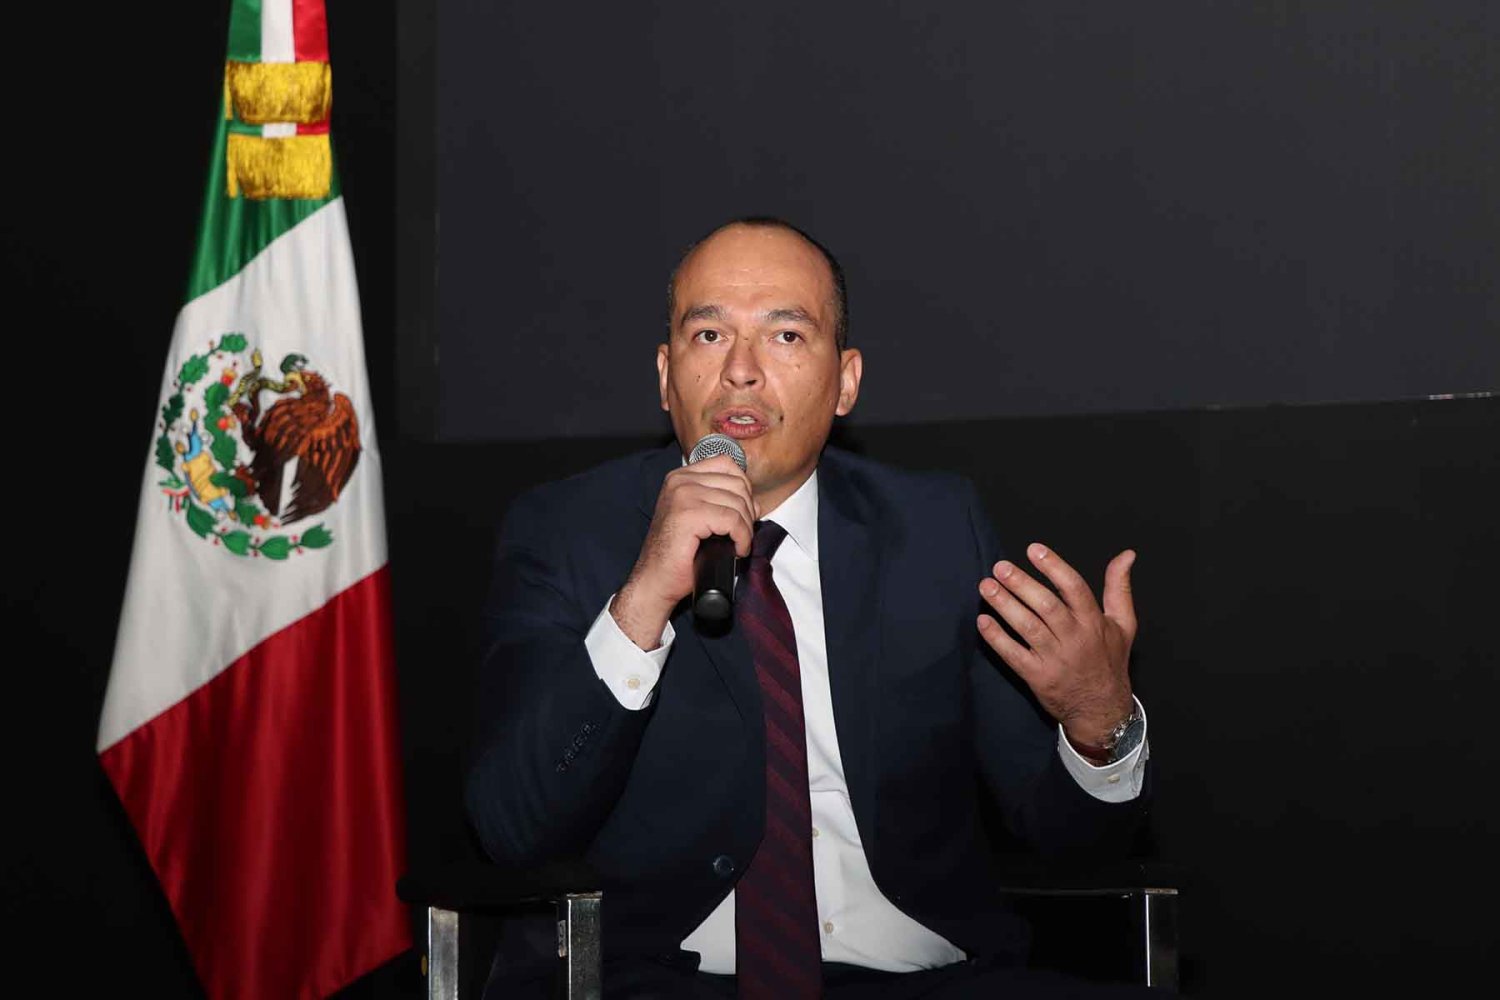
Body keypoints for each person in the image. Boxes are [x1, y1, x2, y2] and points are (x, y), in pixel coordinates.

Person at [465, 217, 1158, 998]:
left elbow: (1069, 841)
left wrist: (1098, 723)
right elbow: (513, 829)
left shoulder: (935, 529)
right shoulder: (567, 531)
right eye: (708, 335)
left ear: (847, 381)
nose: (741, 372)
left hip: (921, 977)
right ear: (664, 376)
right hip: (663, 981)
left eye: (786, 335)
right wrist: (643, 600)